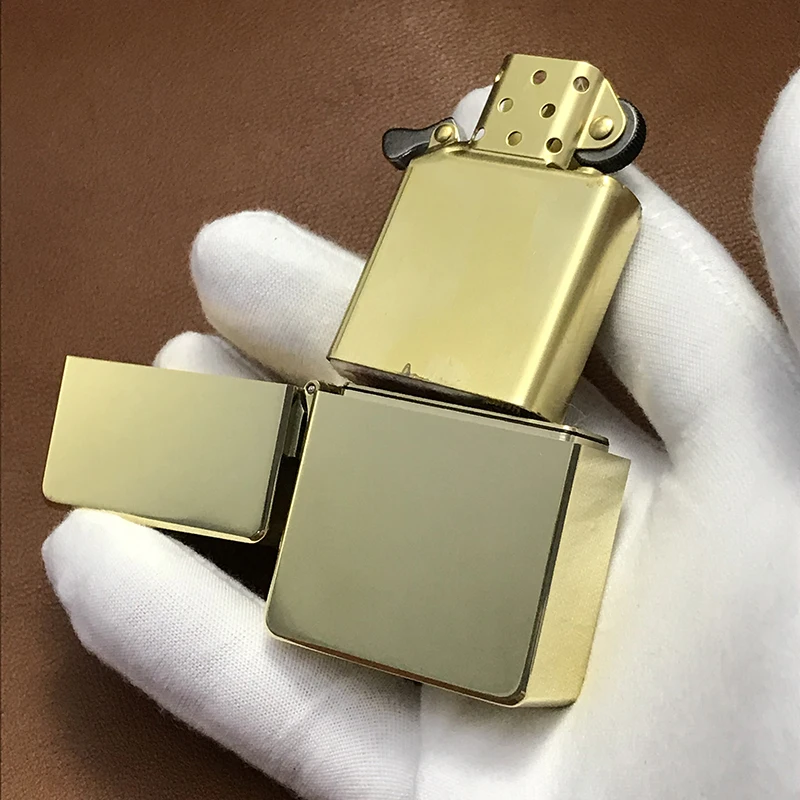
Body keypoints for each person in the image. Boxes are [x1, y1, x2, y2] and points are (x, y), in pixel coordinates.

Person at [42, 73, 800, 799]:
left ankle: (131, 445)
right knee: (245, 452)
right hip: (432, 475)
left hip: (465, 496)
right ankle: (127, 444)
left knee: (262, 455)